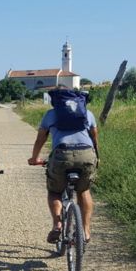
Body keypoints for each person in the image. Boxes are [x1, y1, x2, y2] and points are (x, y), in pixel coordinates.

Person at [27, 86, 99, 244]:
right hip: (86, 154)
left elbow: (41, 139)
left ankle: (57, 225)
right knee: (84, 191)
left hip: (62, 154)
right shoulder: (88, 113)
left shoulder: (51, 114)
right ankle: (85, 231)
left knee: (54, 192)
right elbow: (94, 137)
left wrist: (34, 158)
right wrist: (97, 157)